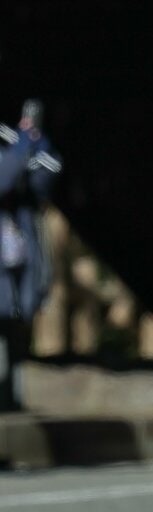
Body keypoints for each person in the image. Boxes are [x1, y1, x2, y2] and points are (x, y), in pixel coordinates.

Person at [0, 101, 61, 412]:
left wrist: (33, 146)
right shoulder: (13, 142)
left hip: (18, 254)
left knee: (16, 325)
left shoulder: (27, 143)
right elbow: (4, 179)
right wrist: (22, 146)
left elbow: (47, 174)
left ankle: (10, 398)